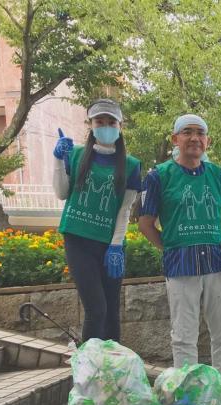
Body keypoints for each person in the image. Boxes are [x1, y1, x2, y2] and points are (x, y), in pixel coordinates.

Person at [139, 114, 221, 405]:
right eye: (187, 132)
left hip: (216, 263)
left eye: (200, 133)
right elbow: (145, 223)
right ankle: (189, 393)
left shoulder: (218, 175)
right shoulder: (159, 176)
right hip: (180, 267)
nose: (194, 138)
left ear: (207, 141)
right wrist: (169, 246)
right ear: (175, 139)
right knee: (183, 334)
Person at [52, 99, 141, 343]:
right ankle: (88, 368)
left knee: (112, 311)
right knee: (96, 309)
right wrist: (59, 161)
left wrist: (116, 245)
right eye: (99, 121)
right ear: (90, 125)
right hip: (78, 240)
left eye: (111, 121)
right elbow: (62, 193)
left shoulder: (131, 165)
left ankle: (113, 366)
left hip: (110, 244)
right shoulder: (77, 155)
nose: (105, 126)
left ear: (120, 125)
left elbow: (124, 210)